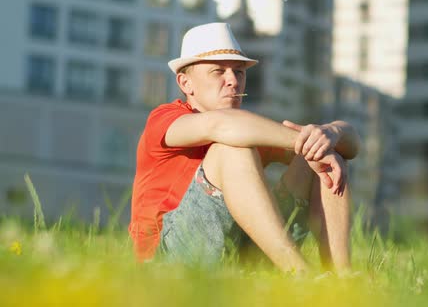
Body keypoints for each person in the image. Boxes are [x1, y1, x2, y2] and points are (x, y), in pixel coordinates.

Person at [128, 22, 361, 273]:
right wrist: (305, 142)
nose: (232, 81)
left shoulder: (247, 127)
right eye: (218, 71)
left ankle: (342, 282)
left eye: (239, 72)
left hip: (240, 252)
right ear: (186, 83)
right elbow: (220, 126)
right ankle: (299, 275)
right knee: (232, 147)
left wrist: (329, 135)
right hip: (167, 261)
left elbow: (352, 146)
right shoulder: (165, 118)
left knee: (323, 157)